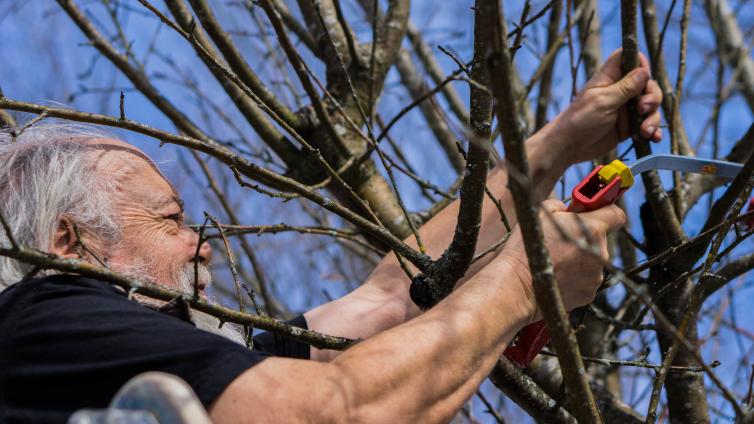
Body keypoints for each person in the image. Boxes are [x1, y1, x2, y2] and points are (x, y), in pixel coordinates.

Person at [0, 49, 661, 423]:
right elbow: (331, 413)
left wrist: (553, 145)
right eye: (169, 220)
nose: (201, 243)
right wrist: (522, 283)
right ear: (67, 242)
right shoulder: (41, 324)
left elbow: (393, 297)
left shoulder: (190, 365)